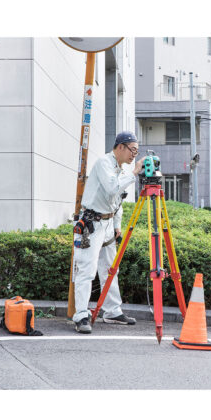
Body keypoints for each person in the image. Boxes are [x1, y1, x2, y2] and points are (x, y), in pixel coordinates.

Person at [71, 131, 141, 334]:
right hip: (91, 223)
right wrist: (134, 173)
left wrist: (117, 224)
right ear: (120, 147)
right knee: (86, 268)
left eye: (136, 151)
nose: (134, 156)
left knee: (110, 268)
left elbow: (118, 199)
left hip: (108, 222)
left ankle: (112, 311)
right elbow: (112, 188)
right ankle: (81, 315)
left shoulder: (119, 168)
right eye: (132, 150)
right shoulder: (103, 163)